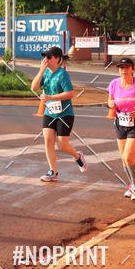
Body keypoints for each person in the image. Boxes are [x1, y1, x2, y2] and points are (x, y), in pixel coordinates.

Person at [31, 46, 86, 183]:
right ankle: (53, 172)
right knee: (48, 141)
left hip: (65, 114)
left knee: (62, 145)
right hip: (49, 113)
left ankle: (77, 156)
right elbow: (34, 87)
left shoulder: (62, 74)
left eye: (49, 57)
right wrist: (41, 70)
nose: (46, 59)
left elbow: (70, 93)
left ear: (57, 59)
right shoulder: (45, 72)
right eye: (44, 57)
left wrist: (50, 97)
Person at [107, 57, 135, 201]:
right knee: (124, 159)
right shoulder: (114, 84)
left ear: (132, 69)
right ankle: (131, 185)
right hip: (121, 123)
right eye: (121, 68)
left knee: (128, 156)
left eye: (126, 67)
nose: (123, 70)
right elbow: (110, 100)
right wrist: (110, 104)